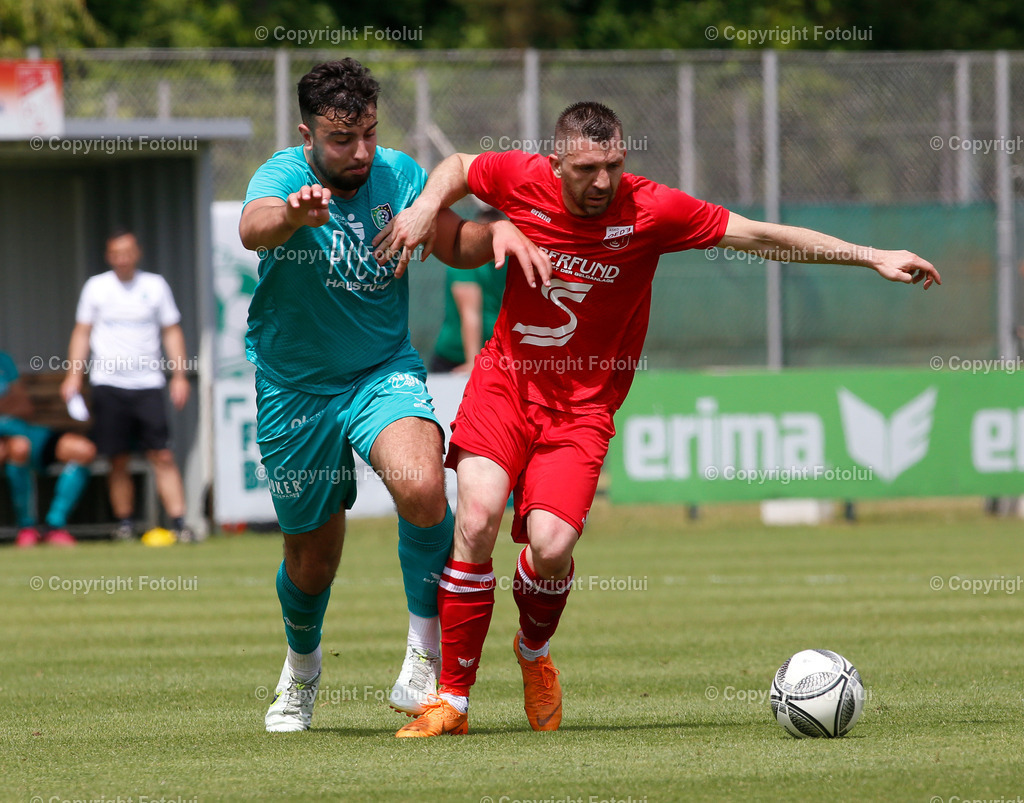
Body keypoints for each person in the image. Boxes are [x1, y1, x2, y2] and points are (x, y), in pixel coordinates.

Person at [376, 101, 941, 737]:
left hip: (582, 407)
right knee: (475, 518)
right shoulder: (520, 176)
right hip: (505, 384)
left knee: (552, 547)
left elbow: (760, 237)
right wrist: (426, 206)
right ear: (556, 162)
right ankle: (452, 700)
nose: (602, 182)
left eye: (613, 165)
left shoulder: (652, 210)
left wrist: (870, 255)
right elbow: (459, 165)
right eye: (587, 168)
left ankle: (533, 652)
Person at [237, 58, 549, 733]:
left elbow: (454, 239)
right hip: (296, 386)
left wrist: (498, 233)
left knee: (421, 485)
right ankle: (302, 668)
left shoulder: (401, 176)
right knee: (310, 558)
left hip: (382, 370)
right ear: (308, 134)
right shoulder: (284, 177)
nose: (360, 152)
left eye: (370, 134)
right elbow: (253, 225)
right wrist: (291, 217)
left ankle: (423, 656)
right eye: (342, 139)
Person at [61, 229, 197, 544]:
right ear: (109, 256)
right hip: (108, 383)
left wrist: (178, 375)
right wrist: (73, 375)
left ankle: (179, 522)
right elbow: (82, 333)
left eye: (128, 252)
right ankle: (124, 524)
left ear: (137, 253)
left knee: (161, 454)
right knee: (117, 457)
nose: (122, 259)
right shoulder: (96, 288)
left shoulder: (155, 286)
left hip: (147, 383)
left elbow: (171, 331)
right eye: (116, 253)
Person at [0, 350, 96, 547]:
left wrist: (11, 406)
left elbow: (24, 406)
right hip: (11, 442)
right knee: (19, 448)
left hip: (29, 432)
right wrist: (7, 404)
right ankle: (26, 527)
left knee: (84, 450)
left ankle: (54, 526)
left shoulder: (3, 361)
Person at [430, 206, 507, 374]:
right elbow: (470, 313)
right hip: (456, 358)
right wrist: (472, 361)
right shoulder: (466, 261)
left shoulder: (509, 260)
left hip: (492, 355)